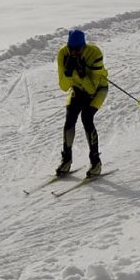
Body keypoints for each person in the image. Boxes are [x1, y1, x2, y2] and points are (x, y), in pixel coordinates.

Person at [55, 29, 108, 177]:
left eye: (77, 50)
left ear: (83, 46)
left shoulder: (95, 53)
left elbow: (92, 89)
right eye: (71, 49)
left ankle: (96, 162)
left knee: (86, 117)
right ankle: (66, 160)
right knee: (70, 119)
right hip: (77, 90)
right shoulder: (62, 54)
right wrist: (68, 73)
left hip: (98, 90)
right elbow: (64, 86)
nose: (73, 53)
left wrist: (81, 73)